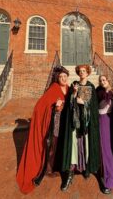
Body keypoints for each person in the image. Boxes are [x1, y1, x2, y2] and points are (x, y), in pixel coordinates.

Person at [16, 66, 69, 194]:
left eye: (65, 76)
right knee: (53, 146)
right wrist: (55, 108)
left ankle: (61, 165)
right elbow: (41, 106)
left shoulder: (69, 88)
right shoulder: (53, 89)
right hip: (55, 123)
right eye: (61, 76)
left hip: (66, 123)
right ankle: (49, 168)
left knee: (62, 145)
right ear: (57, 78)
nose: (63, 78)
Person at [60, 64, 100, 191]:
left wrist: (84, 103)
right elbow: (70, 102)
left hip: (86, 123)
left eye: (84, 71)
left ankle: (86, 168)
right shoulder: (74, 84)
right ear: (78, 73)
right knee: (74, 145)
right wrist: (75, 93)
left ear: (88, 73)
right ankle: (71, 172)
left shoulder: (91, 86)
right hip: (75, 121)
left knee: (86, 144)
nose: (82, 73)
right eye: (80, 71)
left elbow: (93, 106)